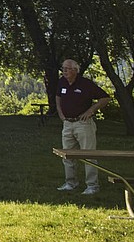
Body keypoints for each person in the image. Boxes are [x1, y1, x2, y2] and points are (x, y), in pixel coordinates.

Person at [55, 58, 110, 195]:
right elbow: (58, 97)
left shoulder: (85, 84)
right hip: (67, 123)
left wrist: (91, 111)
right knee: (67, 155)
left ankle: (92, 185)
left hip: (83, 124)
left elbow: (105, 98)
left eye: (67, 69)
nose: (64, 71)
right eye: (63, 68)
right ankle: (70, 182)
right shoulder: (62, 82)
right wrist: (60, 113)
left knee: (88, 154)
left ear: (75, 70)